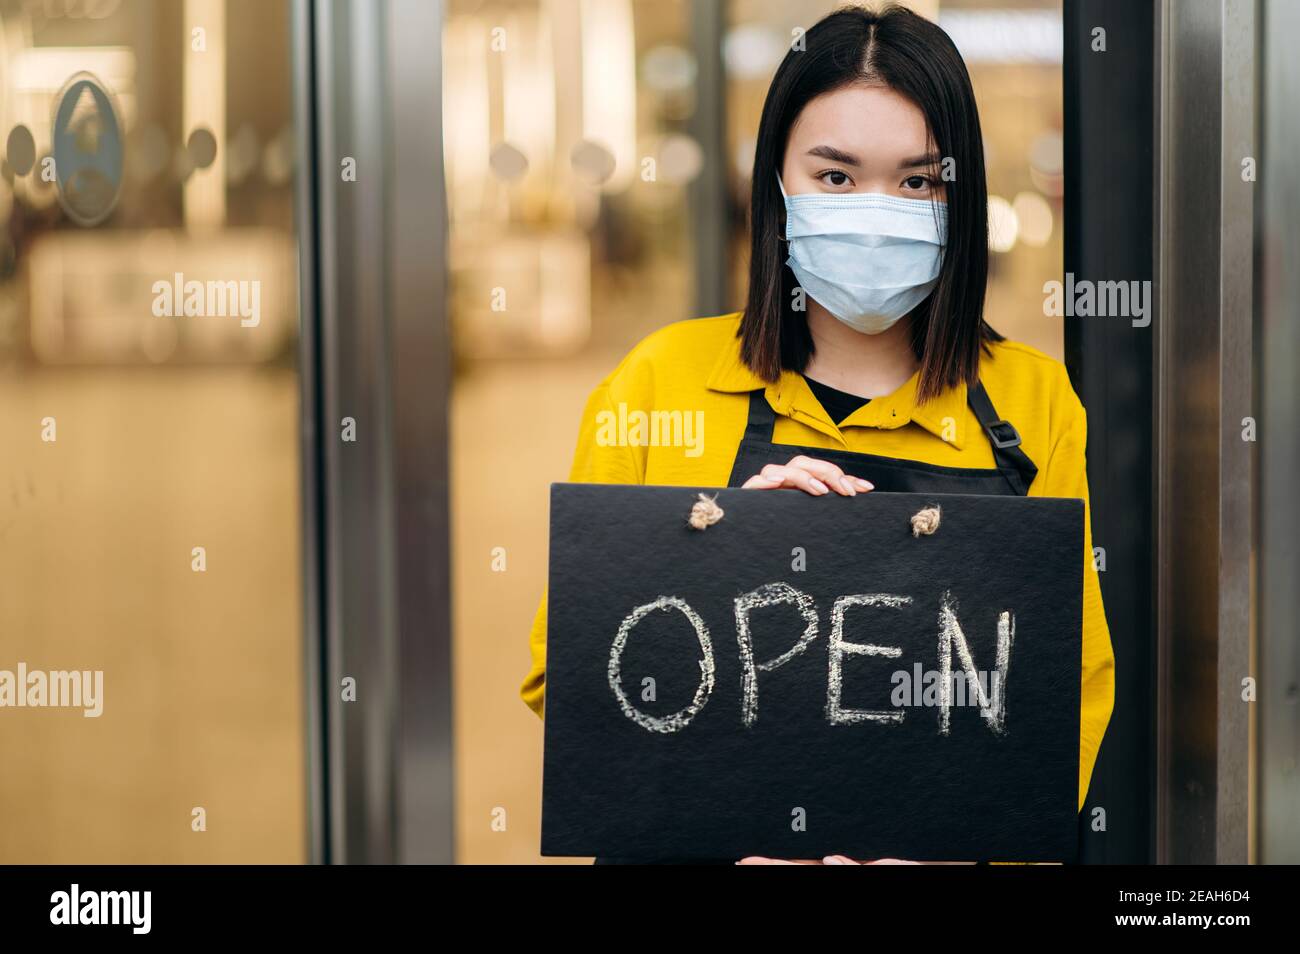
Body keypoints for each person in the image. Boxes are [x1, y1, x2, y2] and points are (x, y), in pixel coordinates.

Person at [520, 2, 1115, 864]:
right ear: (777, 184)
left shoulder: (1032, 399)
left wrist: (950, 849)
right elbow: (568, 679)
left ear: (960, 192)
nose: (878, 209)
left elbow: (1072, 689)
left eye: (917, 181)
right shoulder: (659, 382)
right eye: (836, 177)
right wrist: (717, 560)